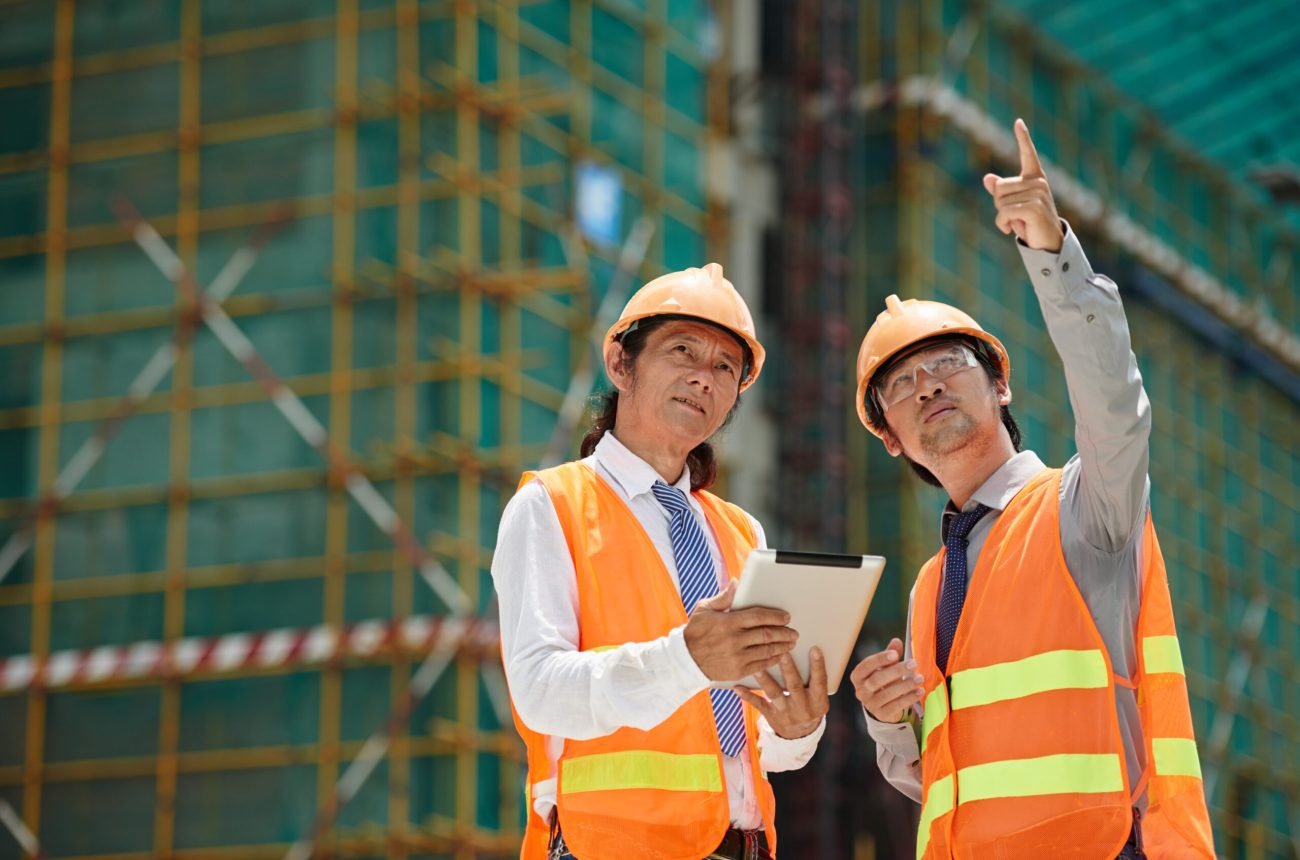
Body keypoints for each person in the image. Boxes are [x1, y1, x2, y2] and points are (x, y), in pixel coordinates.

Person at [848, 120, 1215, 858]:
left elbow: (1115, 401)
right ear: (889, 435)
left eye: (946, 362)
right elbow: (954, 784)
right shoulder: (929, 589)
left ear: (999, 383)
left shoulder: (1083, 509)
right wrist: (892, 726)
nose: (926, 387)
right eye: (900, 385)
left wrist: (1050, 253)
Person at [492, 262, 830, 860]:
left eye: (724, 367)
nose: (705, 379)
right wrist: (686, 658)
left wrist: (796, 728)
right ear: (622, 364)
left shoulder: (740, 532)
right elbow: (540, 692)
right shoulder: (551, 505)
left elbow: (759, 742)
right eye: (683, 352)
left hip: (746, 844)